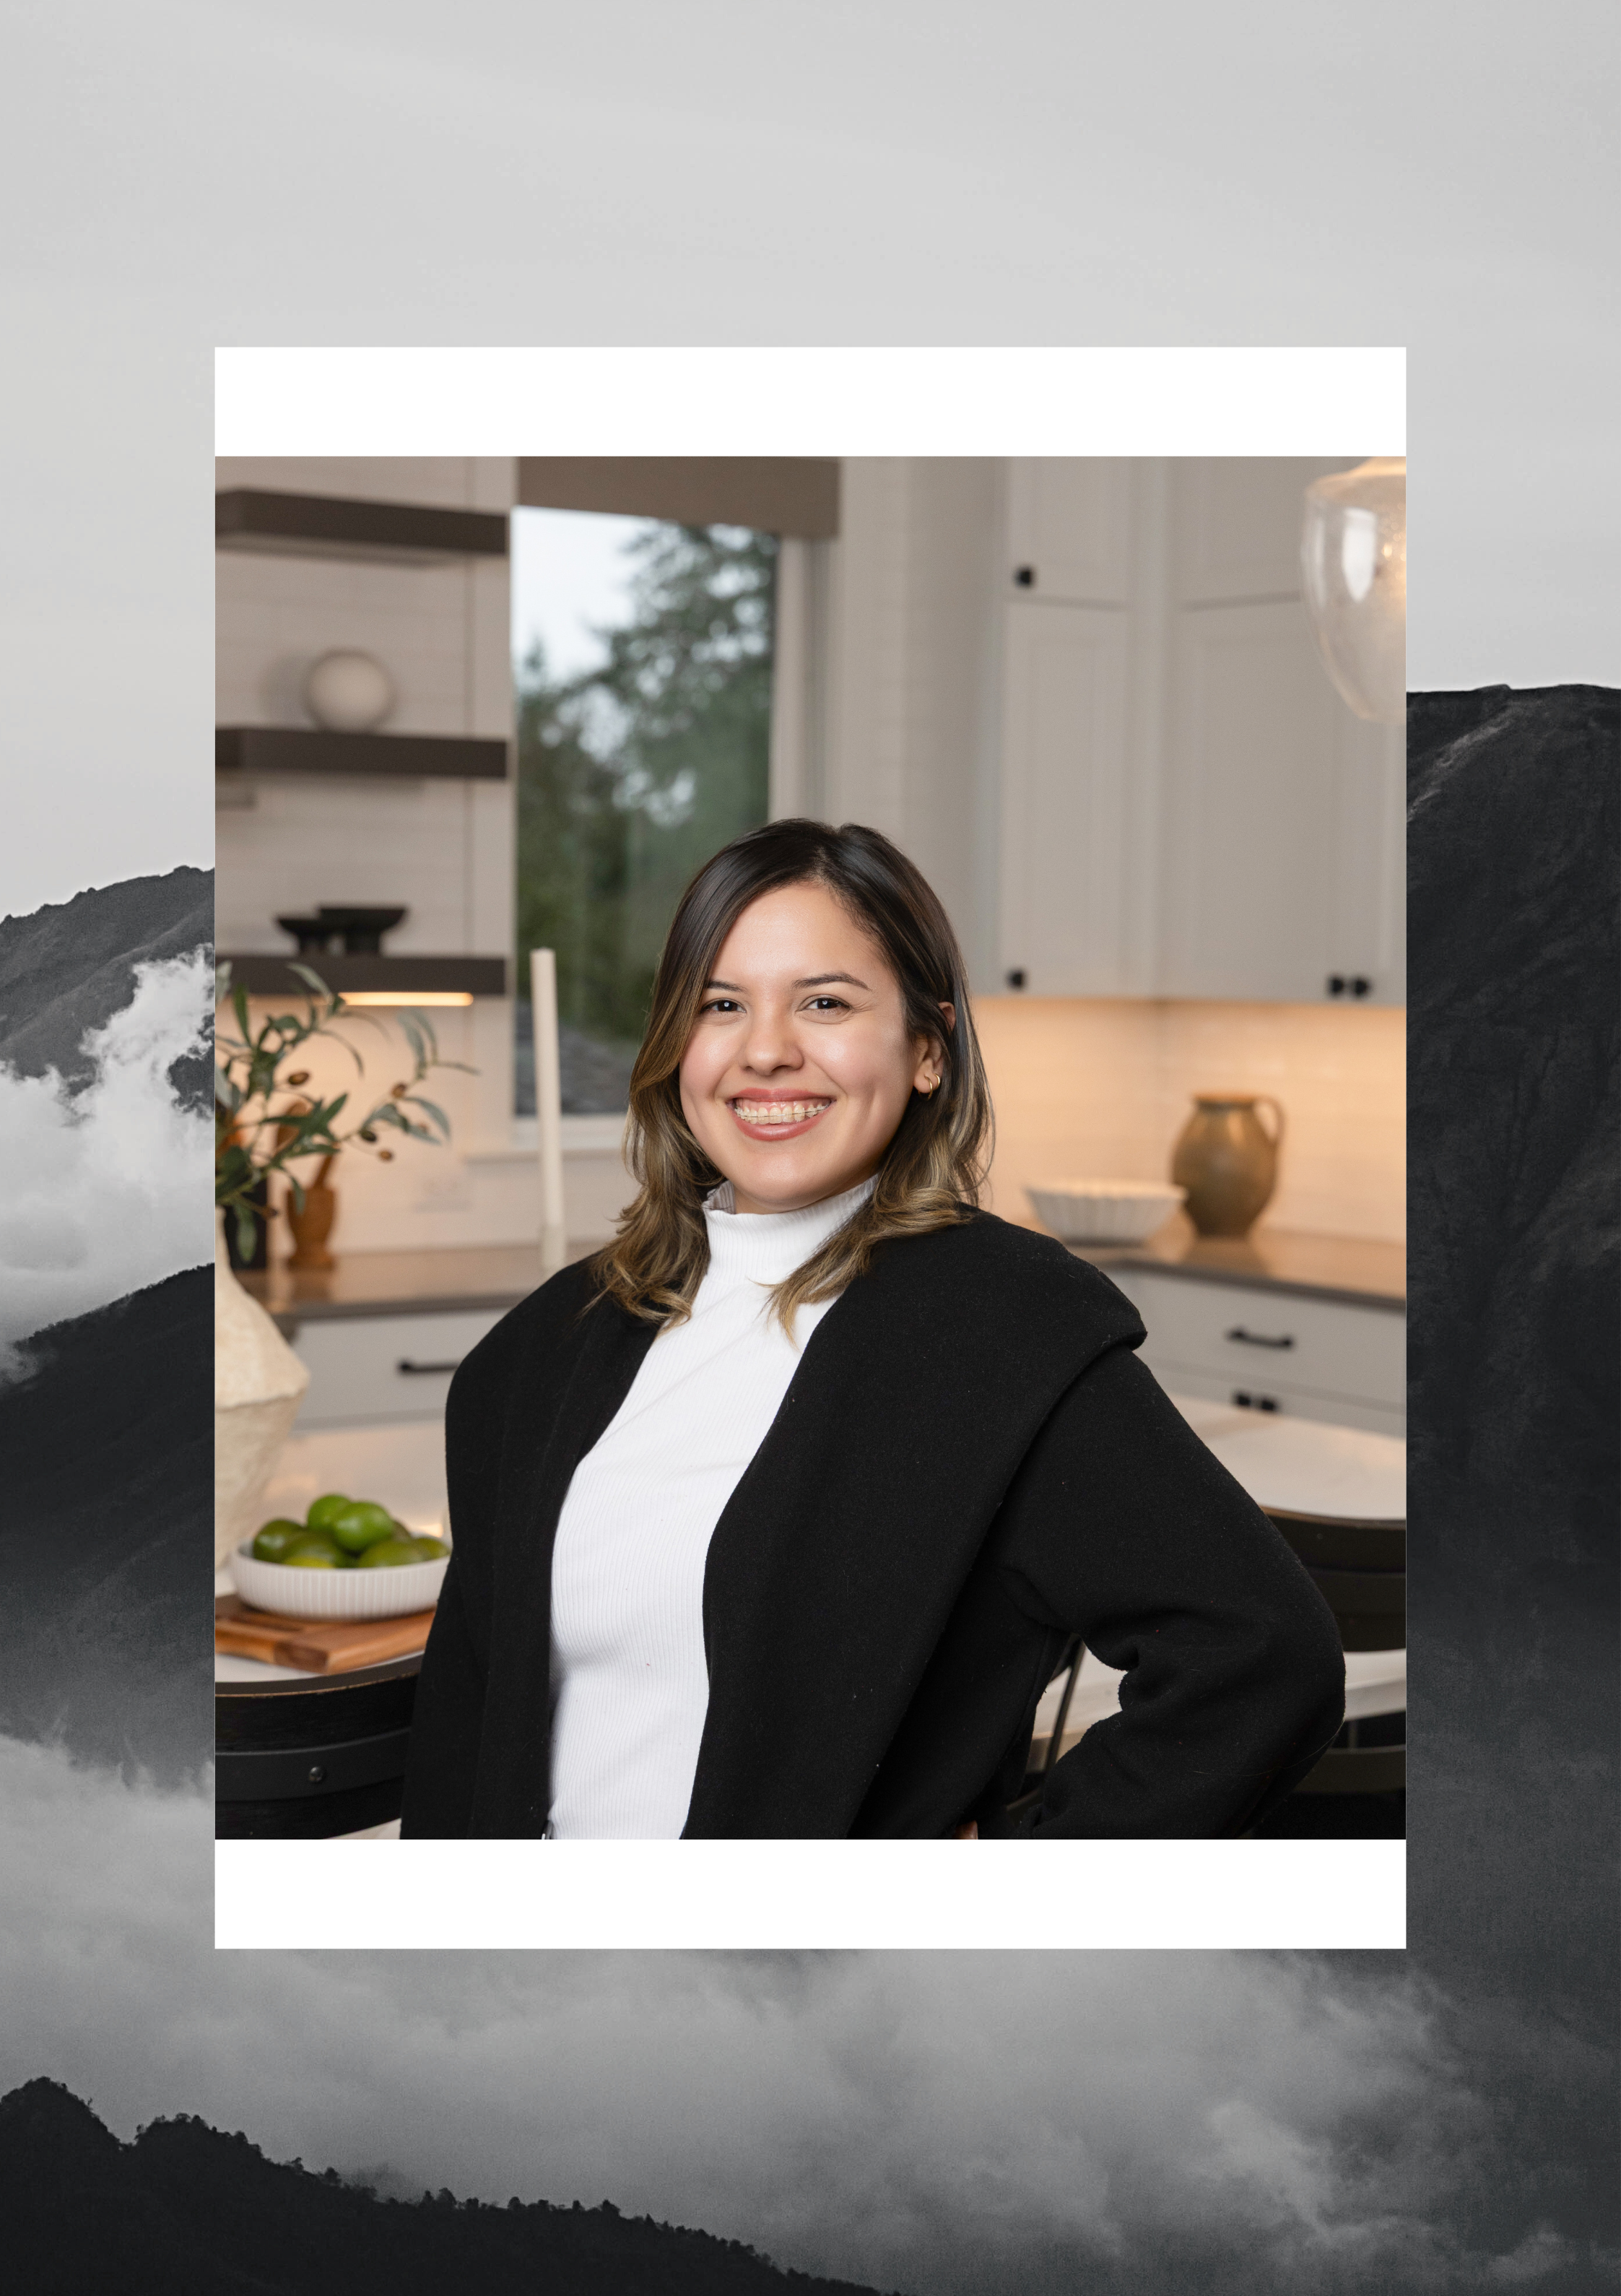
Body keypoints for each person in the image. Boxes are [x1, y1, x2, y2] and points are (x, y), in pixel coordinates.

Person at [401, 819, 1344, 1840]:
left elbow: (1260, 1657)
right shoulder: (539, 1353)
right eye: (723, 1004)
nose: (767, 1050)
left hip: (792, 1999)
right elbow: (466, 1733)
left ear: (927, 1050)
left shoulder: (1007, 1334)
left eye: (826, 1002)